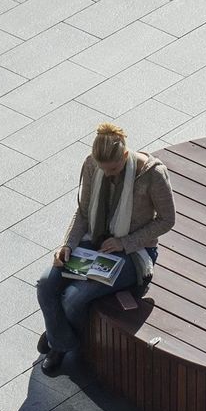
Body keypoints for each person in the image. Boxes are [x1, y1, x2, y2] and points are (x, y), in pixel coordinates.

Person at [33, 122, 176, 377]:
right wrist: (68, 244)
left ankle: (57, 345)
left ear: (125, 155)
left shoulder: (152, 175)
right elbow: (84, 212)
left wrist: (125, 242)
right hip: (94, 242)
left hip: (133, 253)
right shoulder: (92, 164)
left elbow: (167, 220)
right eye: (103, 169)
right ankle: (61, 340)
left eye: (113, 169)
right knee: (45, 283)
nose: (108, 174)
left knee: (73, 297)